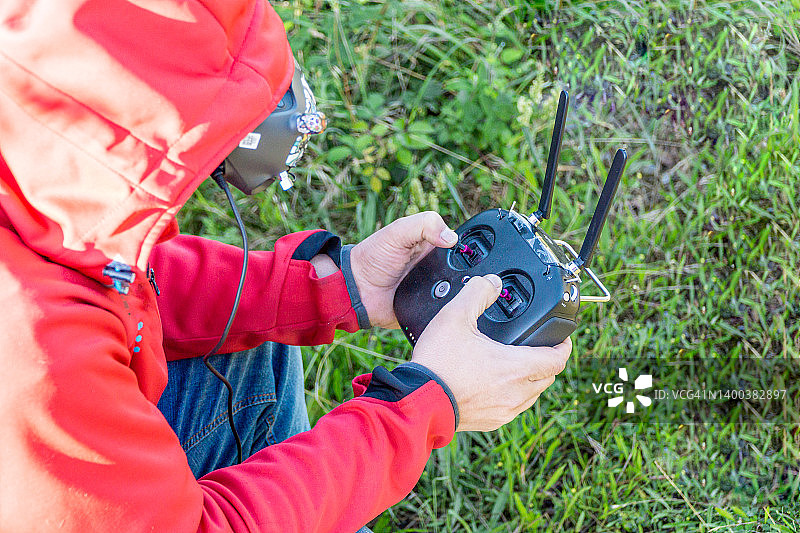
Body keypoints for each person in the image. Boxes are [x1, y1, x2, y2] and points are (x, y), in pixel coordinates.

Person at [0, 1, 571, 531]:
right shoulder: (35, 364)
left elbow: (109, 276)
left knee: (248, 348)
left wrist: (333, 285)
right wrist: (419, 406)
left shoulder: (30, 173)